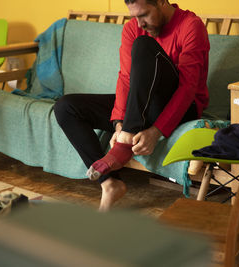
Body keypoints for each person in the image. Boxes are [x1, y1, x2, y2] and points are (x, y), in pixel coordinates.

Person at [54, 0, 210, 211]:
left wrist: (156, 132)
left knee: (144, 45)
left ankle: (124, 143)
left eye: (144, 14)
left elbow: (187, 88)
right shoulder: (133, 28)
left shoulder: (191, 25)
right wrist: (119, 123)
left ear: (162, 2)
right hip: (140, 107)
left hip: (181, 107)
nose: (140, 23)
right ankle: (110, 183)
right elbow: (126, 79)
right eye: (135, 16)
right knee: (66, 106)